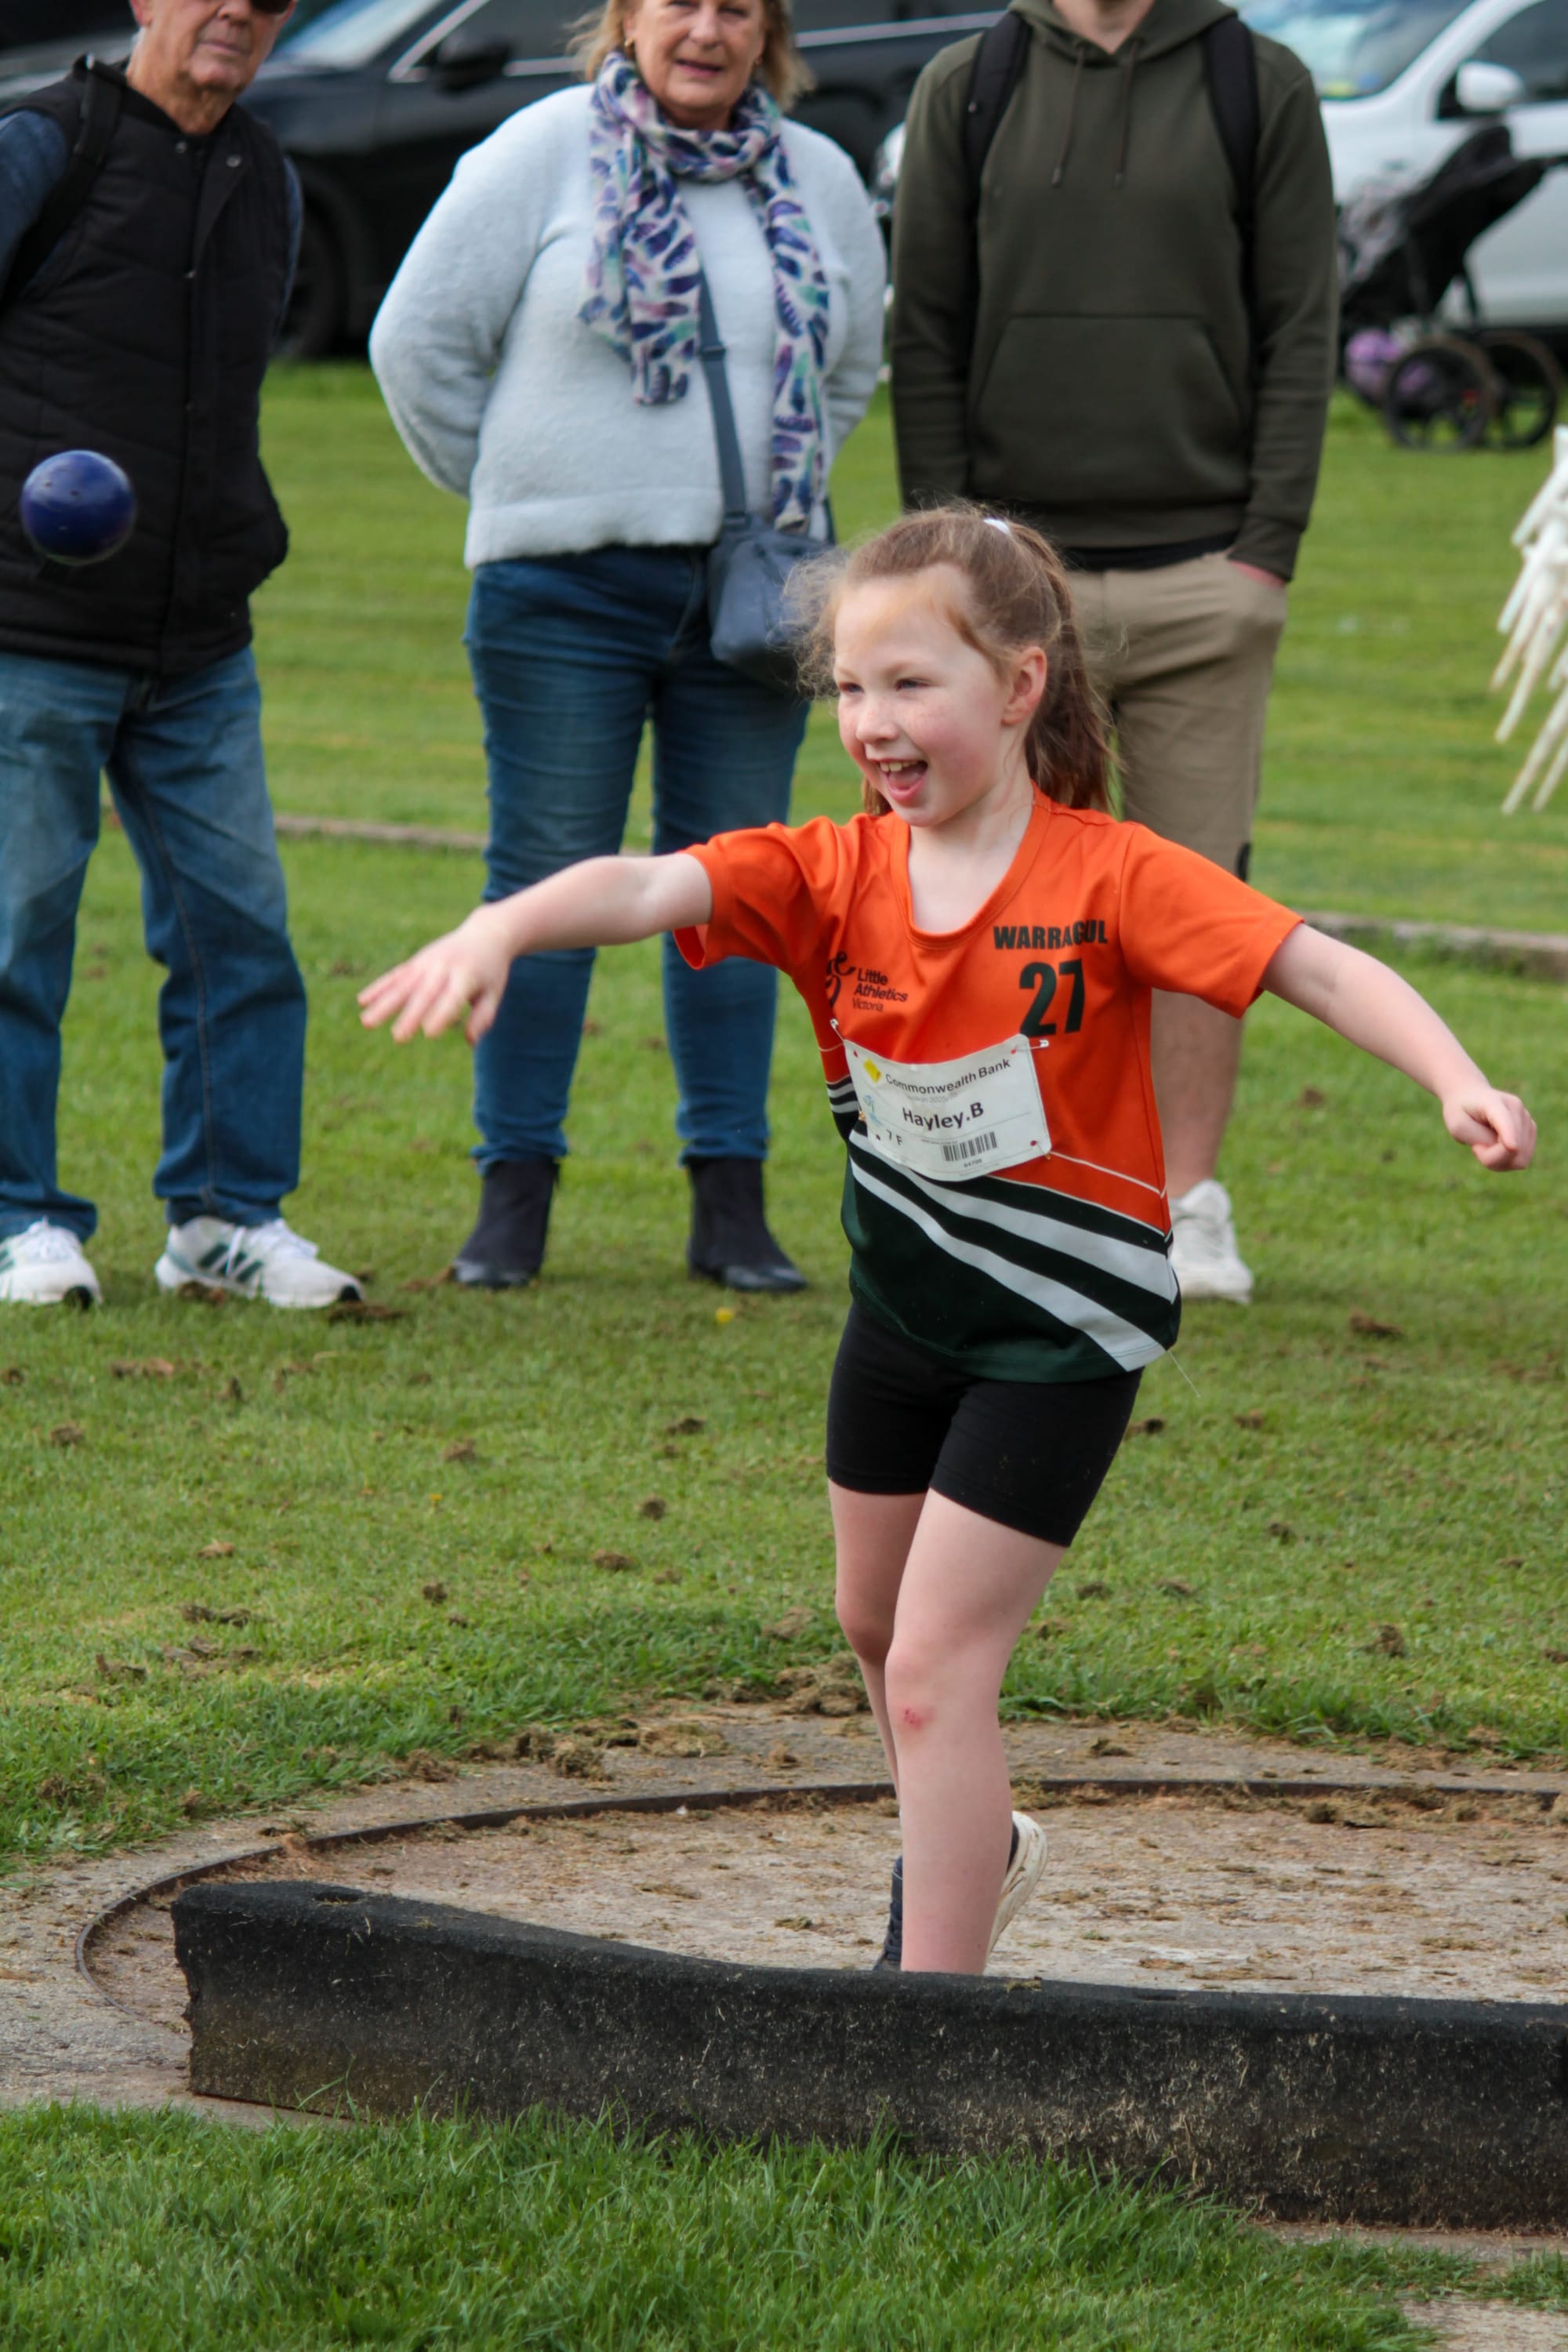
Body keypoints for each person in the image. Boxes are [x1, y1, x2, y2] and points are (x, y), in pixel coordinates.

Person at [359, 509, 1535, 1975]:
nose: (874, 723)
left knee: (933, 1670)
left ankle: (933, 2025)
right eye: (852, 689)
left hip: (1059, 1338)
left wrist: (1458, 1077)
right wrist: (500, 930)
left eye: (912, 686)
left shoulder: (1113, 877)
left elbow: (1318, 966)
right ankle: (980, 1844)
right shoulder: (833, 873)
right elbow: (647, 884)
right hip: (903, 1323)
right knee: (874, 1631)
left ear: (1021, 687)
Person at [369, 0, 885, 1297]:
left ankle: (731, 1203)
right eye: (677, 2)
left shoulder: (818, 177)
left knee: (737, 895)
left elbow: (848, 370)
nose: (704, 30)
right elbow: (413, 345)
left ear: (767, 31)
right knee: (541, 880)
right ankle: (513, 1196)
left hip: (755, 600)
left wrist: (777, 505)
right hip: (561, 595)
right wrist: (518, 491)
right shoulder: (537, 152)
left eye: (736, 8)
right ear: (625, 20)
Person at [889, 0, 1338, 1305]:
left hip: (1210, 574)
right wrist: (956, 557)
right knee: (1001, 901)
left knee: (1200, 909)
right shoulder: (970, 82)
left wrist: (1267, 548)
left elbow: (1303, 325)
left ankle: (1187, 1207)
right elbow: (924, 324)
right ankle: (1014, 1188)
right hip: (1014, 590)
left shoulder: (1263, 83)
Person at [0, 0, 361, 1311]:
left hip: (200, 638)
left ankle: (224, 1221)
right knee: (16, 929)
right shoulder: (44, 145)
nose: (240, 16)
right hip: (30, 628)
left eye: (270, 1)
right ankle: (16, 1219)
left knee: (240, 934)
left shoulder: (264, 170)